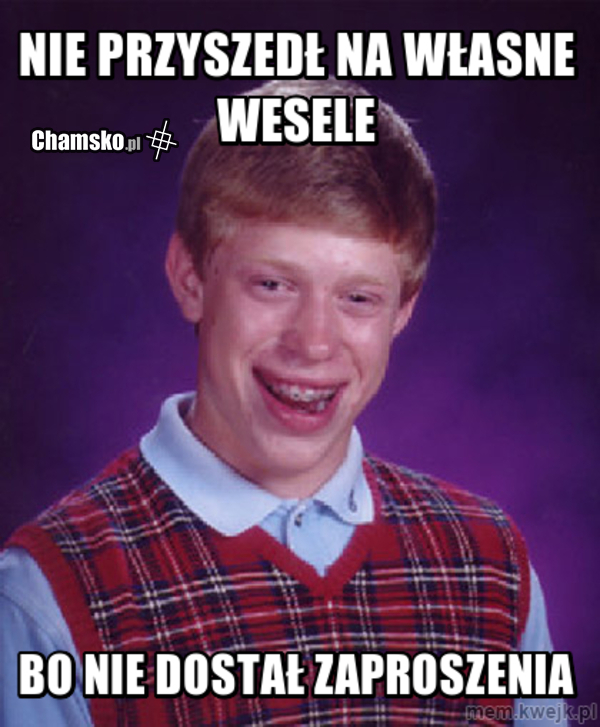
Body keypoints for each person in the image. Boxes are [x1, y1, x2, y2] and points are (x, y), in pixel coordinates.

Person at [1, 80, 564, 725]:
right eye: (272, 284)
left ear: (403, 310)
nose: (314, 342)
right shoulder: (48, 597)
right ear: (190, 279)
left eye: (358, 298)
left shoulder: (491, 566)